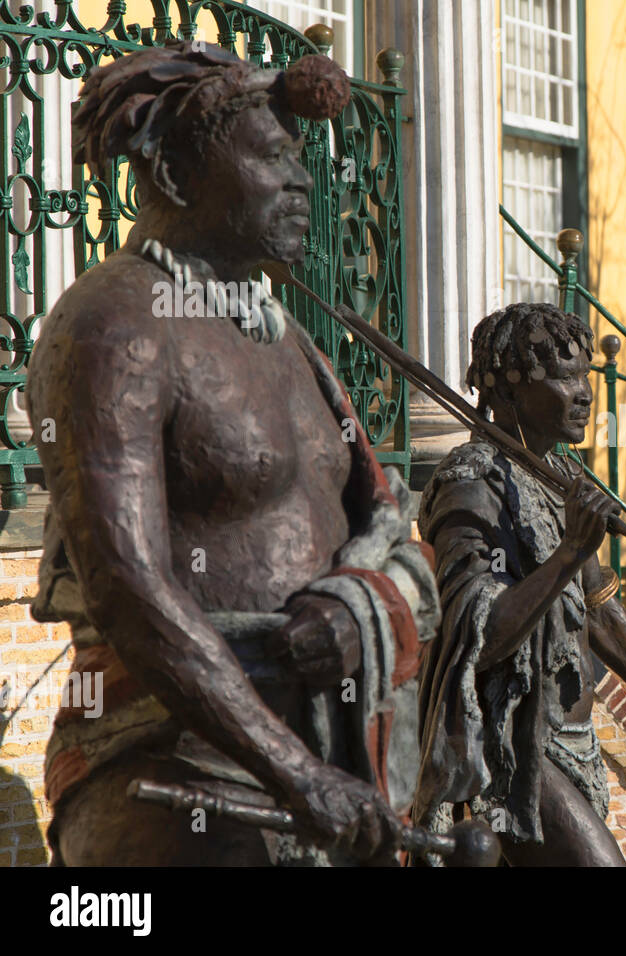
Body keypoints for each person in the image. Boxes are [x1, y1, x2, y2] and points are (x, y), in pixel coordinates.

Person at [29, 42, 439, 865]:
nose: (302, 183)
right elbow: (128, 587)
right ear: (177, 177)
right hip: (178, 765)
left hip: (328, 764)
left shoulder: (289, 340)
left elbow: (389, 529)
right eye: (273, 159)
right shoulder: (114, 325)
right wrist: (295, 774)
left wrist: (359, 612)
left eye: (301, 160)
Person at [410, 302, 626, 866]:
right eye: (563, 378)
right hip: (511, 746)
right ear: (510, 394)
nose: (585, 392)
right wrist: (569, 553)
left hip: (575, 741)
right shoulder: (470, 483)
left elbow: (602, 613)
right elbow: (478, 636)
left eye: (584, 374)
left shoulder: (561, 474)